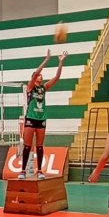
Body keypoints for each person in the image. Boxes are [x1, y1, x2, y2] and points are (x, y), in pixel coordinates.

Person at [19, 49, 66, 179]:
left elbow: (57, 78)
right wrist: (46, 59)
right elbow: (36, 73)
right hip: (30, 118)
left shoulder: (43, 88)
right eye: (38, 75)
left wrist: (60, 62)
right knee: (27, 146)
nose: (40, 76)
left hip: (41, 119)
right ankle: (22, 170)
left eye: (40, 76)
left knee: (39, 146)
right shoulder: (30, 87)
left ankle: (39, 170)